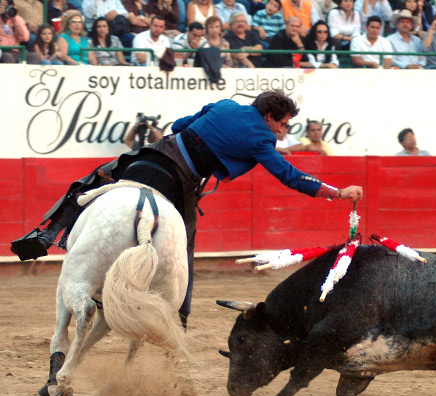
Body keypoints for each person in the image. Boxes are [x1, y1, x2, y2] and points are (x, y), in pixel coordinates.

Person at [10, 90, 364, 330]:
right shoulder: (262, 139)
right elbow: (290, 176)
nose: (283, 131)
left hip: (155, 153)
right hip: (180, 180)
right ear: (269, 116)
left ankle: (45, 233)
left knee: (94, 179)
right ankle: (180, 316)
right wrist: (337, 192)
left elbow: (180, 125)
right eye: (283, 124)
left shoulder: (224, 104)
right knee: (184, 244)